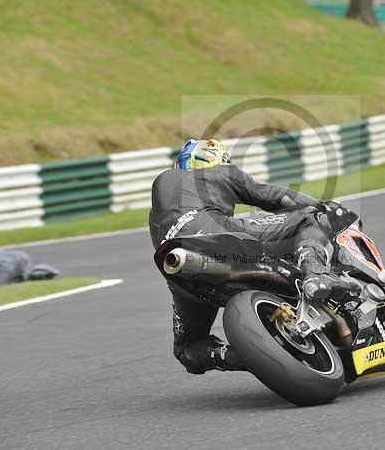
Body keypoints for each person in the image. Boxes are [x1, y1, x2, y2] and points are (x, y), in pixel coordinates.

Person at [149, 138, 354, 375]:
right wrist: (321, 206)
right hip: (216, 235)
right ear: (217, 159)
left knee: (187, 348)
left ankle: (236, 355)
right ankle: (317, 275)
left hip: (178, 268)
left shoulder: (161, 193)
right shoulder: (218, 173)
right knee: (308, 218)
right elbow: (270, 195)